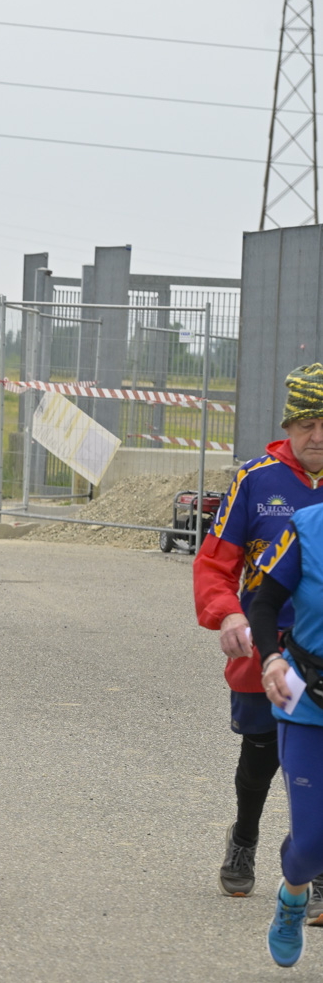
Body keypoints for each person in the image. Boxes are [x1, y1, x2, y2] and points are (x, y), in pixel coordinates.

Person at [199, 363, 323, 912]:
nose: (317, 436)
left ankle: (313, 865)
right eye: (307, 423)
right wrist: (227, 615)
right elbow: (214, 563)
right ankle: (245, 837)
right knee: (261, 753)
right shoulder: (256, 480)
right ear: (288, 424)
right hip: (264, 647)